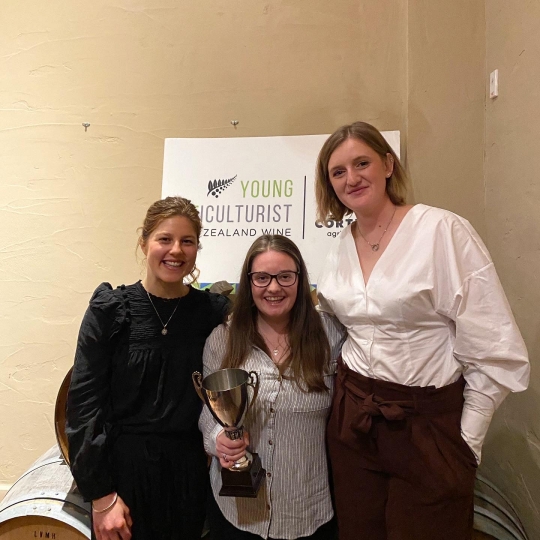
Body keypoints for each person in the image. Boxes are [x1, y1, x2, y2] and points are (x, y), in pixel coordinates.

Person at [314, 121, 530, 540]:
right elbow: (335, 322)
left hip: (427, 425)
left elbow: (494, 346)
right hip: (354, 421)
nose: (351, 178)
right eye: (338, 171)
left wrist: (466, 441)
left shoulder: (441, 231)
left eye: (362, 163)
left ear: (388, 164)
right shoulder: (340, 244)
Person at [66, 196, 229, 540]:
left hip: (188, 478)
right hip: (121, 479)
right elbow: (84, 407)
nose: (176, 250)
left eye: (187, 241)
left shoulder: (211, 313)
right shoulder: (110, 310)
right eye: (164, 239)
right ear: (144, 242)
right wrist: (101, 496)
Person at [199, 235, 344, 540]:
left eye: (285, 276)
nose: (274, 287)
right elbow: (208, 413)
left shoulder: (332, 335)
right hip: (237, 512)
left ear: (300, 279)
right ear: (249, 282)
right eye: (262, 277)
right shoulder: (222, 340)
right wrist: (218, 439)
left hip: (308, 511)